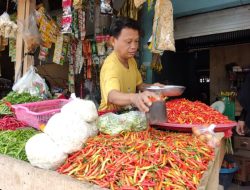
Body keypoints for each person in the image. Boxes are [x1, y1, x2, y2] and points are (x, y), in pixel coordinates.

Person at [99, 17, 163, 113]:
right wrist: (135, 97)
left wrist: (154, 87)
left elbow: (140, 85)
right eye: (128, 42)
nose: (134, 47)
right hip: (109, 117)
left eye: (136, 41)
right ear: (113, 41)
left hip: (126, 115)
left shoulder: (131, 60)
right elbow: (112, 96)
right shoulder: (111, 66)